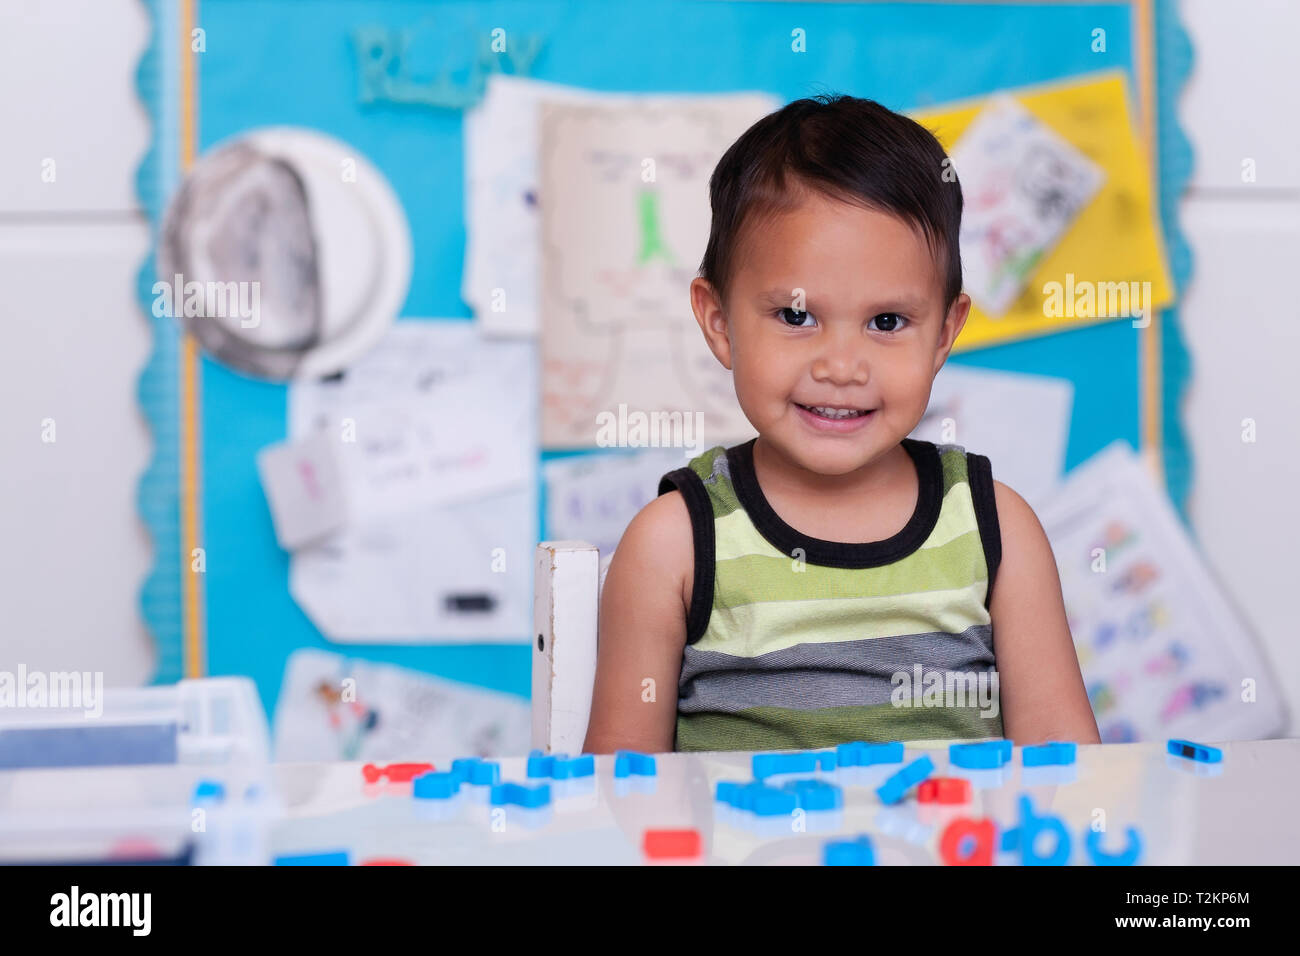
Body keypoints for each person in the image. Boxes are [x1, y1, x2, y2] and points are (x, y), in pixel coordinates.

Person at [584, 94, 1100, 753]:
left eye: (887, 322)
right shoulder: (674, 545)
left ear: (943, 333)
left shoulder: (996, 530)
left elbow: (1066, 765)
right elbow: (622, 790)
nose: (841, 365)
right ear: (718, 321)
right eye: (797, 316)